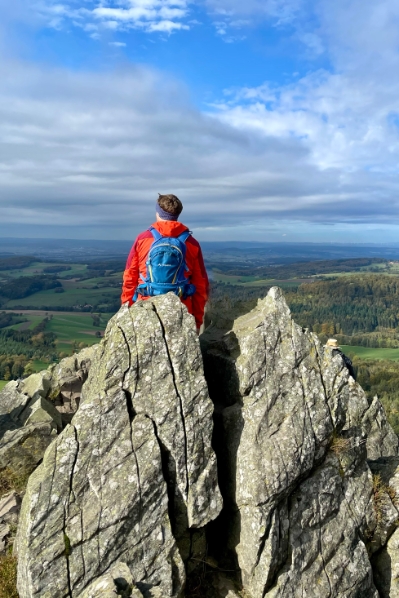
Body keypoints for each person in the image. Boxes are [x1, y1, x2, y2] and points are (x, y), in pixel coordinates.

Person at [121, 194, 209, 332]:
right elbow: (200, 284)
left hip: (146, 306)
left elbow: (129, 277)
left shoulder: (143, 239)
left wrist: (126, 311)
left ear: (158, 212)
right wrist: (197, 322)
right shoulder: (192, 243)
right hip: (181, 309)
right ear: (177, 214)